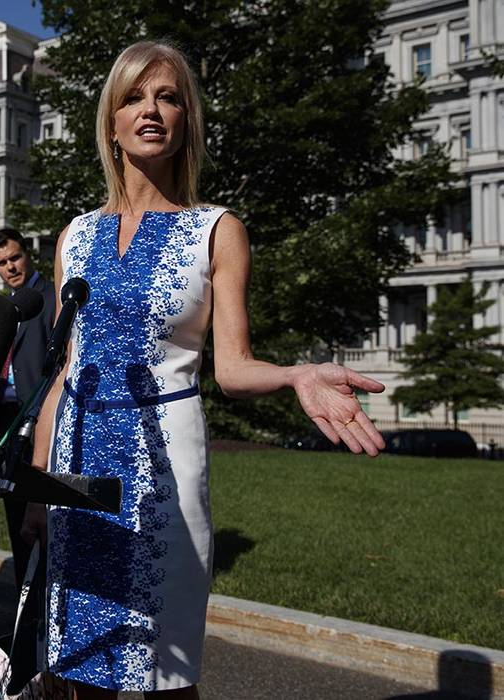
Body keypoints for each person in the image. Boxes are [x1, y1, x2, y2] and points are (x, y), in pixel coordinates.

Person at [26, 42, 386, 699]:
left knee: (164, 673)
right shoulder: (73, 235)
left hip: (162, 468)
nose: (152, 110)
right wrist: (39, 480)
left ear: (187, 118)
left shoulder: (216, 230)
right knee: (83, 667)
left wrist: (296, 375)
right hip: (79, 468)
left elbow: (235, 368)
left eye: (168, 97)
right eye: (134, 97)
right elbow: (69, 367)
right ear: (111, 122)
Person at [0, 229, 56, 590]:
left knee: (42, 511)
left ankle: (46, 600)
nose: (10, 267)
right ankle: (24, 601)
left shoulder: (50, 297)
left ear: (27, 255)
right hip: (7, 420)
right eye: (2, 263)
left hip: (40, 419)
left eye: (14, 257)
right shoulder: (4, 307)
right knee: (16, 513)